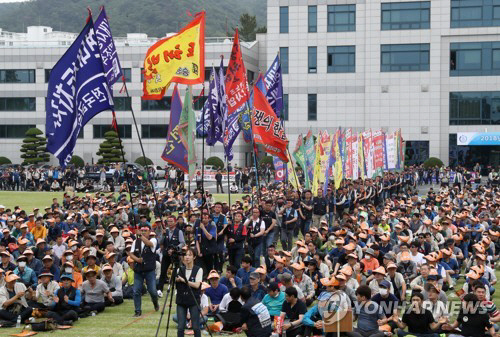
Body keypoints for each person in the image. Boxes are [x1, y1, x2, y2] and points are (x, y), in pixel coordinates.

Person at [127, 223, 159, 317]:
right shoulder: (135, 242)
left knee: (152, 290)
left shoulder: (153, 239)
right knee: (136, 290)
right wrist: (137, 260)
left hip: (149, 269)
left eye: (146, 231)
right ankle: (137, 310)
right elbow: (131, 253)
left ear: (149, 232)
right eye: (142, 230)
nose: (144, 232)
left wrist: (140, 235)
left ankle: (155, 303)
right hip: (139, 270)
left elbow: (149, 244)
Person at [175, 248, 203, 337]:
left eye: (190, 255)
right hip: (181, 300)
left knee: (195, 326)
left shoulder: (199, 269)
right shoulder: (180, 269)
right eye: (186, 255)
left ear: (194, 257)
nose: (187, 257)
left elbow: (197, 285)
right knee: (180, 327)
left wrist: (183, 280)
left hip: (193, 300)